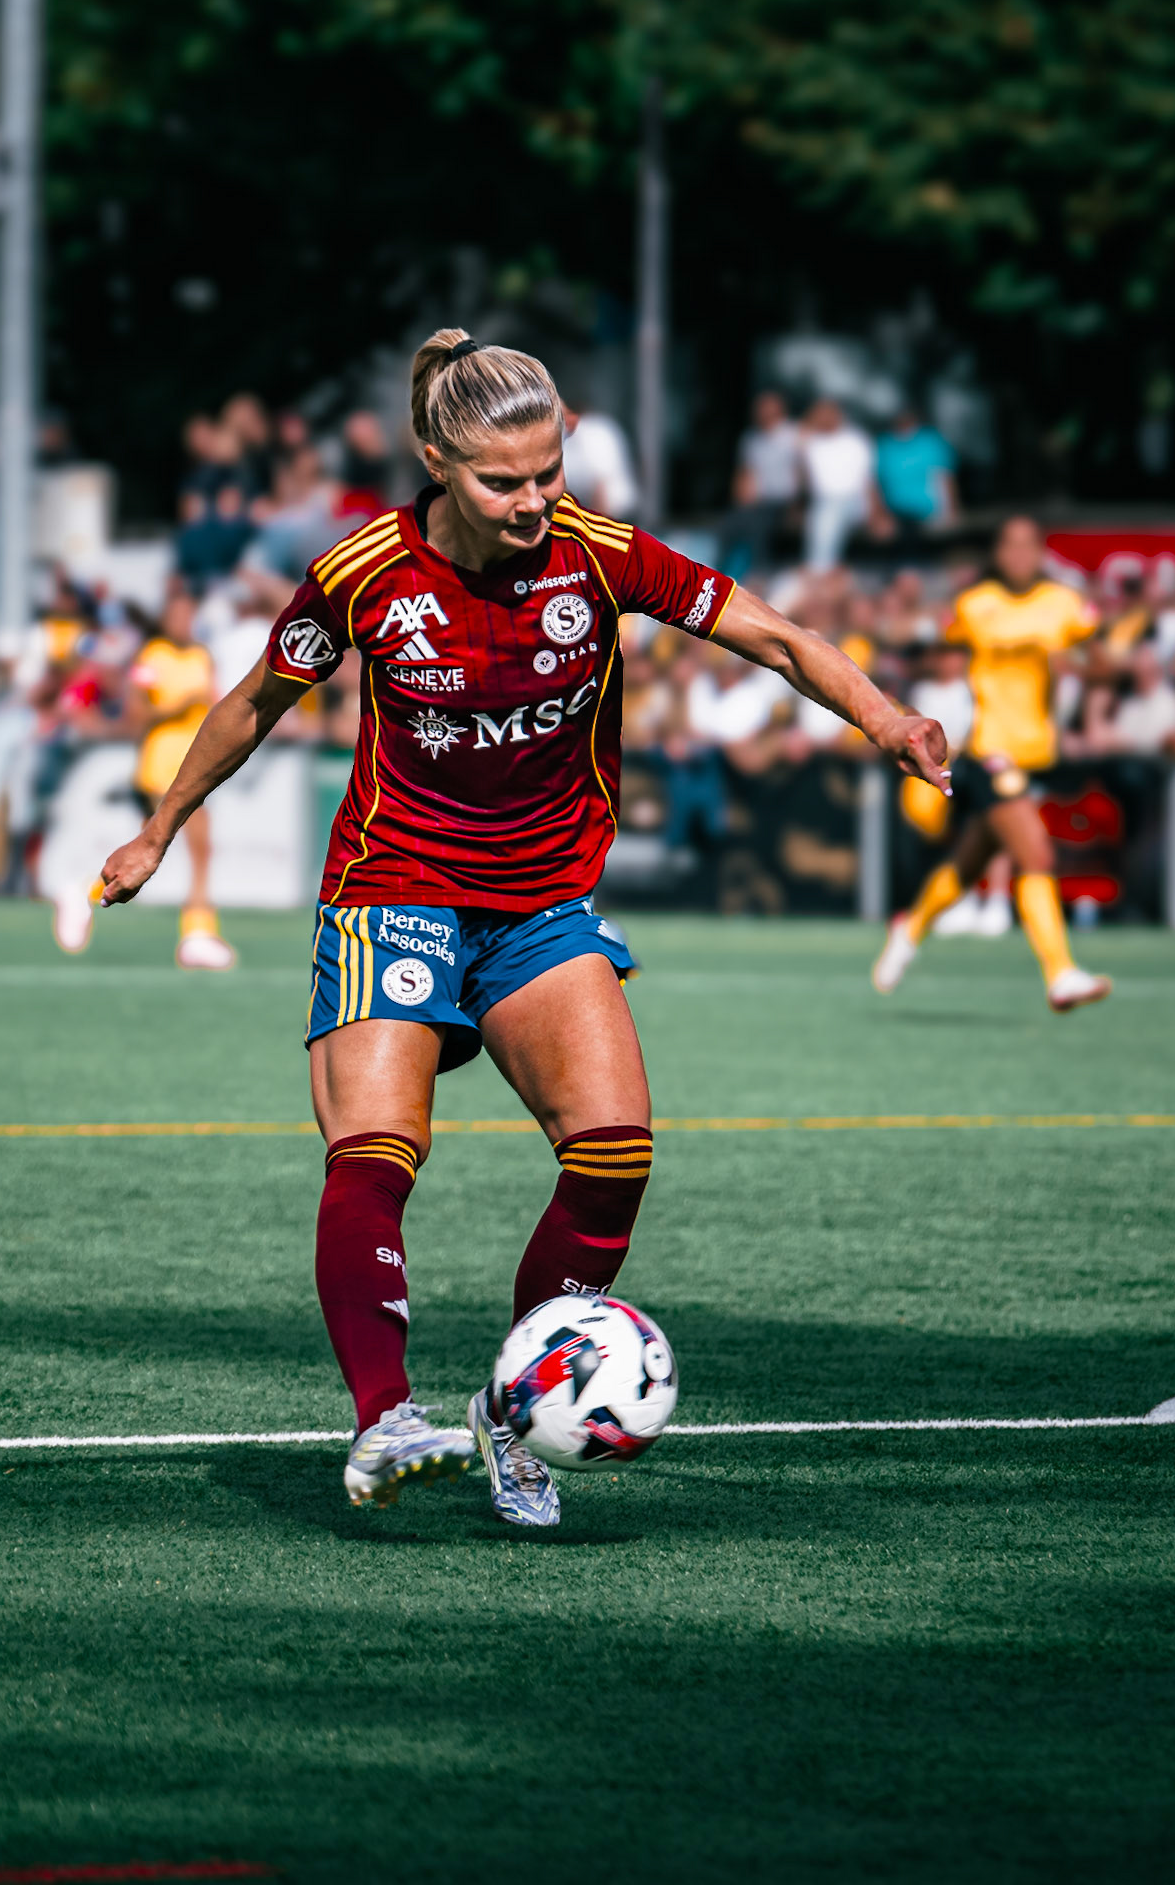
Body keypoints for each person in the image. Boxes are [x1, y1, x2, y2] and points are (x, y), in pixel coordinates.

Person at [96, 328, 947, 1527]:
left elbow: (769, 632)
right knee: (378, 1150)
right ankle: (384, 1420)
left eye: (550, 471)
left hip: (540, 907)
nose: (535, 500)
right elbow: (252, 702)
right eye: (505, 480)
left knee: (613, 1153)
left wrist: (883, 714)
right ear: (434, 457)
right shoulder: (361, 572)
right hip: (391, 888)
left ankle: (512, 1411)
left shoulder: (598, 559)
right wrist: (158, 829)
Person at [872, 515, 1111, 1012]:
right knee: (1037, 858)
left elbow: (1102, 659)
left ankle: (909, 929)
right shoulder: (976, 606)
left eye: (1030, 545)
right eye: (1011, 545)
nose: (1020, 555)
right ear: (999, 553)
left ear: (1041, 552)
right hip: (992, 752)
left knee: (971, 861)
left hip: (1039, 753)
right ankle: (1060, 972)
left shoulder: (1063, 605)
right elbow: (926, 638)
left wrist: (1082, 665)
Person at [58, 592, 237, 969]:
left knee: (149, 847)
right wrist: (178, 706)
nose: (184, 622)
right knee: (195, 845)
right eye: (178, 613)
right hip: (161, 763)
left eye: (190, 613)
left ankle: (87, 892)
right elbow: (137, 714)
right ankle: (197, 932)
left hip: (194, 764)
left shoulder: (203, 657)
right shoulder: (152, 657)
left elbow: (216, 704)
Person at [725, 390, 801, 577]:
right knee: (729, 524)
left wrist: (800, 504)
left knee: (757, 524)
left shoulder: (794, 435)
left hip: (787, 501)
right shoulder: (751, 440)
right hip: (760, 502)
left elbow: (803, 472)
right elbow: (745, 473)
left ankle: (759, 575)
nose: (762, 412)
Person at [800, 399, 878, 571]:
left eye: (826, 414)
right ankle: (821, 572)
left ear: (837, 415)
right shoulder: (812, 443)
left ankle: (819, 571)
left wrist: (876, 512)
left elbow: (868, 480)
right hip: (822, 504)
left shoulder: (855, 440)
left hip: (855, 502)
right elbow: (804, 481)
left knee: (828, 514)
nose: (821, 418)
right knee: (825, 512)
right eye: (818, 415)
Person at [875, 407, 957, 539]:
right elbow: (875, 483)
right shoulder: (884, 445)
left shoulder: (931, 441)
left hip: (928, 510)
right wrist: (878, 515)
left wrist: (949, 511)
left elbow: (945, 477)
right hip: (894, 512)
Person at [560, 397, 640, 520]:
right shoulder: (574, 435)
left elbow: (601, 484)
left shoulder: (589, 431)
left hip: (613, 514)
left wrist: (596, 526)